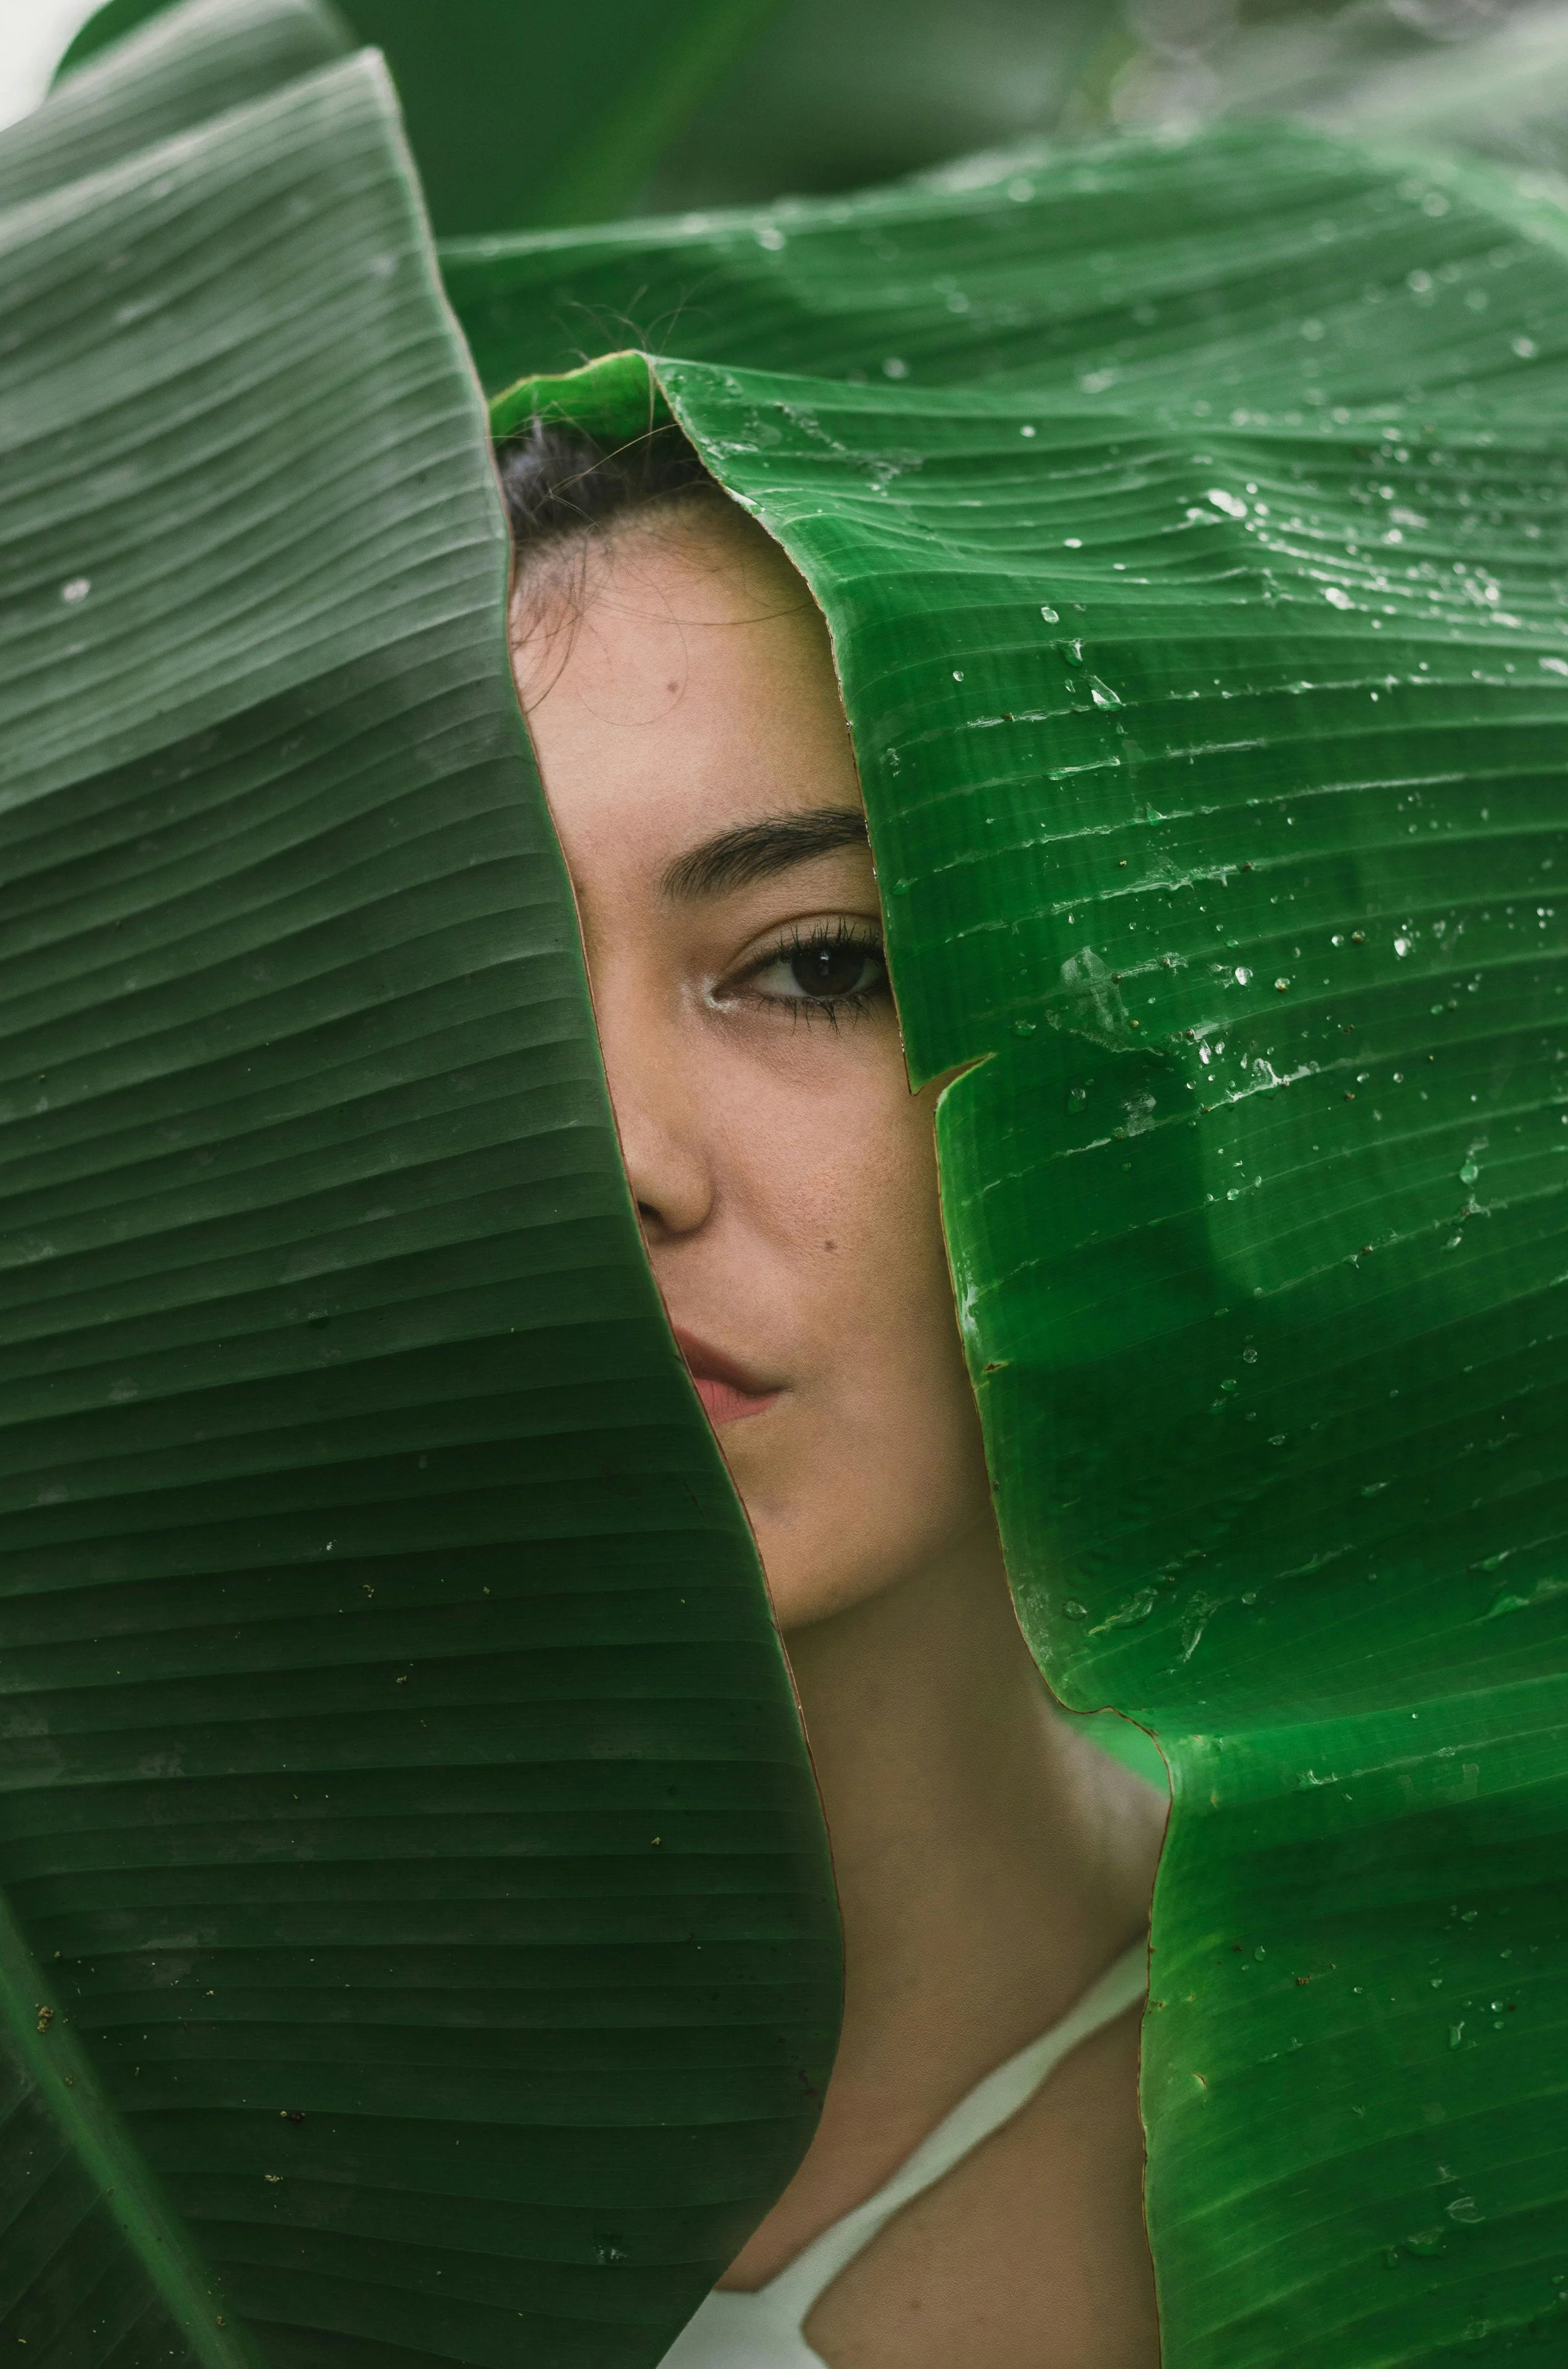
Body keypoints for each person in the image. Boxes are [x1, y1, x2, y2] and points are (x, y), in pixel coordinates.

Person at [498, 416, 1170, 2369]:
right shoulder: (113, 2083)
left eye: (812, 970)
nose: (618, 1147)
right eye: (473, 981)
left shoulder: (1417, 2098)